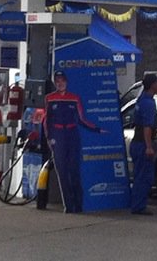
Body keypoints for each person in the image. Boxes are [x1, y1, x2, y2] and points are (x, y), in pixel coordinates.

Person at [43, 70, 101, 213]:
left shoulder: (74, 98)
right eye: (57, 81)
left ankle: (78, 204)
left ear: (66, 82)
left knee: (74, 170)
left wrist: (97, 129)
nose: (60, 83)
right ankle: (68, 205)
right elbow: (47, 120)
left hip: (72, 134)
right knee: (62, 171)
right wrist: (49, 138)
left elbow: (81, 119)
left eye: (62, 81)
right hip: (58, 135)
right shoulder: (50, 98)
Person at [130, 73, 157, 215]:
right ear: (152, 85)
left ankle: (136, 203)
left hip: (137, 143)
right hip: (142, 144)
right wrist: (149, 147)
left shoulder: (141, 99)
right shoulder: (148, 103)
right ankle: (138, 206)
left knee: (139, 175)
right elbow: (147, 127)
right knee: (144, 177)